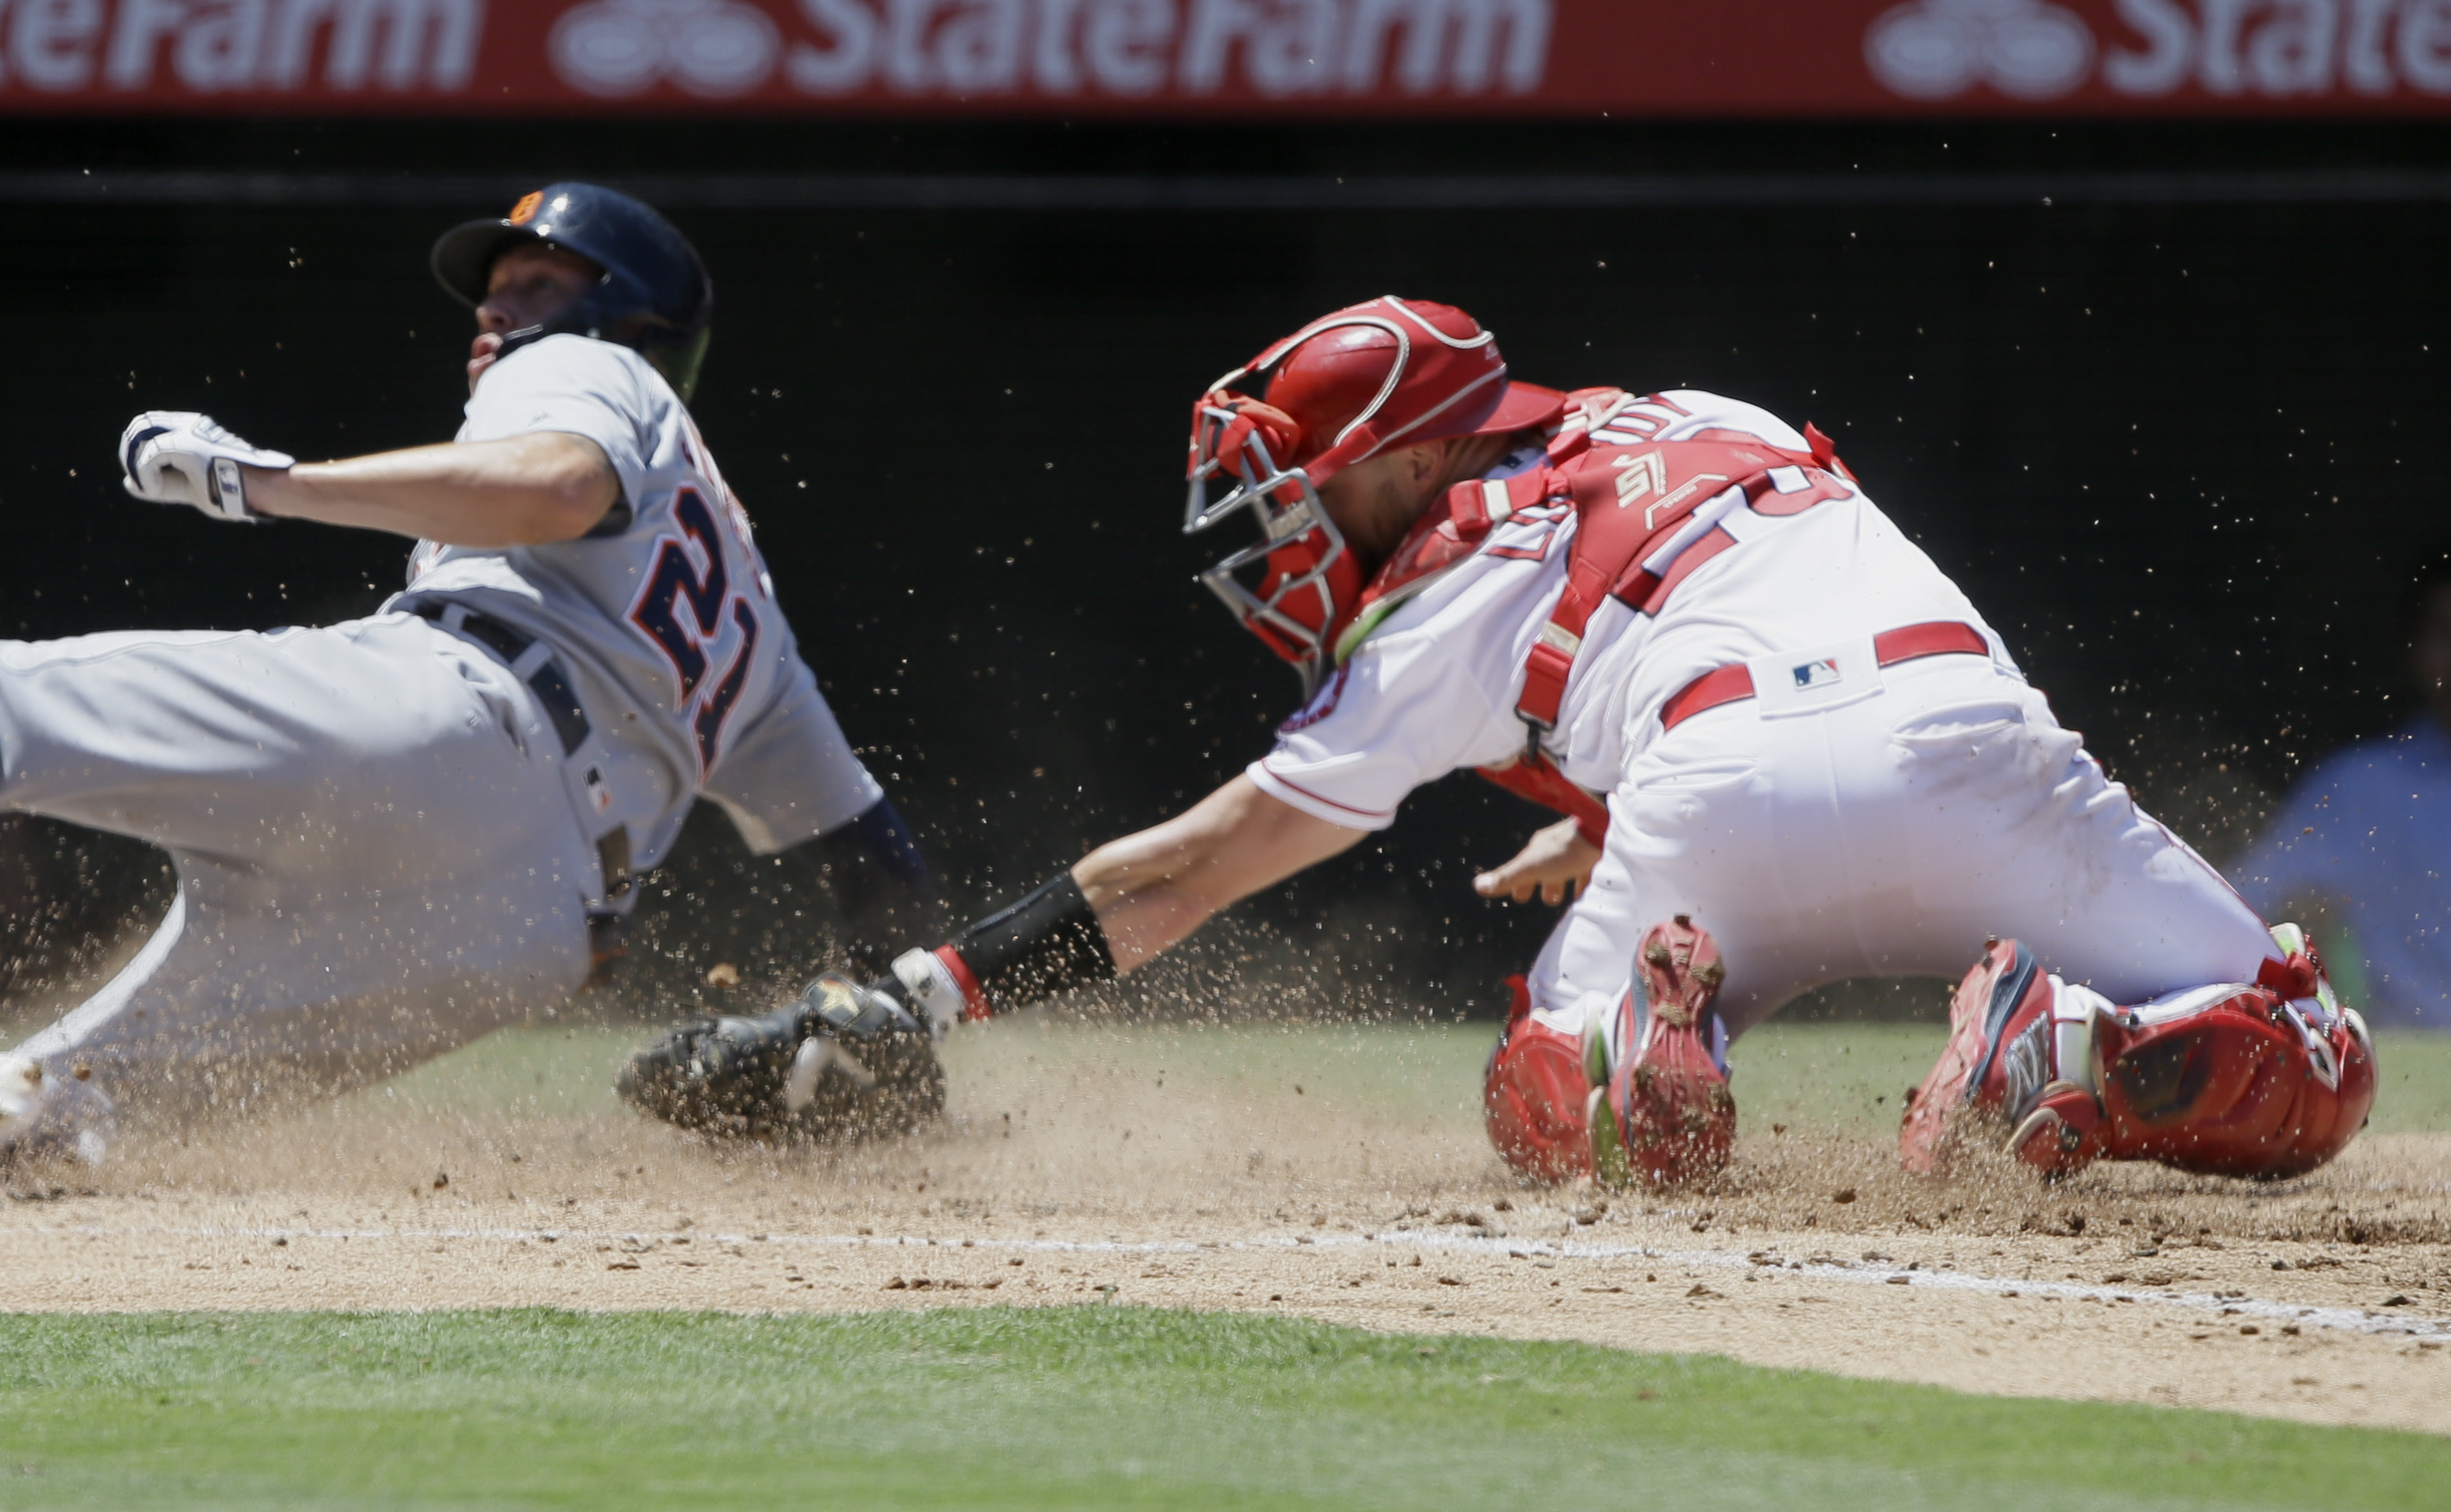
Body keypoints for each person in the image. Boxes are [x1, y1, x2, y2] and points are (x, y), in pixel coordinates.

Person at [622, 296, 2375, 1188]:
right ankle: (2045, 1049)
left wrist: (913, 996)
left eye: (1299, 494)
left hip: (1715, 819)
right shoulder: (1715, 408)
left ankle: (1642, 1058)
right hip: (1986, 759)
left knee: (1555, 1112)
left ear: (1404, 455)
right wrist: (1607, 799)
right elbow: (1801, 646)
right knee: (2306, 1055)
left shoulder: (1440, 595)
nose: (1278, 536)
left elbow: (1189, 871)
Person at [0, 183, 938, 1186]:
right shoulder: (744, 599)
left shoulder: (591, 378)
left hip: (466, 723)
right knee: (73, 1103)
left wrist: (260, 484)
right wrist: (899, 1043)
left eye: (536, 285)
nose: (498, 315)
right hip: (538, 929)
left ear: (623, 322)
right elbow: (875, 856)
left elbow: (560, 487)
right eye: (495, 292)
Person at [2229, 550, 2451, 1030]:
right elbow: (2233, 908)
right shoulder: (2359, 788)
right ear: (2417, 651)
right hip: (2406, 1067)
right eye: (2447, 633)